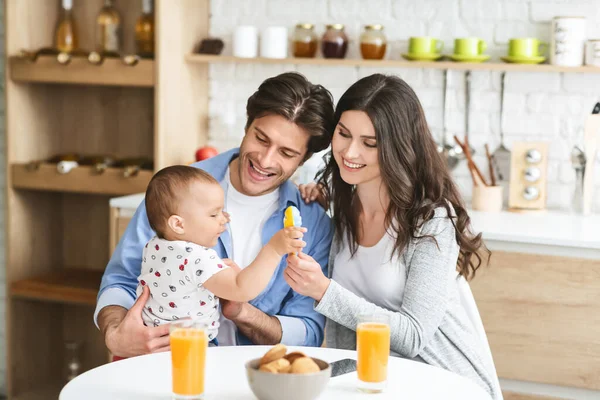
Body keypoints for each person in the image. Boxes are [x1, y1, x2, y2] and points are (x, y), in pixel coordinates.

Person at [95, 72, 336, 358]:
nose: (265, 160)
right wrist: (115, 334)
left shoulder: (313, 223)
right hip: (164, 366)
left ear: (303, 159)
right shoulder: (179, 188)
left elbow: (308, 330)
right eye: (261, 138)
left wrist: (243, 312)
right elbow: (121, 279)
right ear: (247, 126)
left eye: (286, 153)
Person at [291, 74, 502, 399]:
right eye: (343, 133)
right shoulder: (344, 203)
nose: (350, 151)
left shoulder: (431, 220)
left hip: (440, 381)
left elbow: (413, 335)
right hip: (373, 381)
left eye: (370, 143)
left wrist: (324, 291)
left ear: (399, 147)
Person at [137, 165, 306, 343]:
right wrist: (274, 249)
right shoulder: (199, 258)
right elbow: (242, 290)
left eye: (222, 212)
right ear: (178, 224)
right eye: (213, 214)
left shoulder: (154, 247)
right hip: (190, 346)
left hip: (153, 344)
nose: (224, 219)